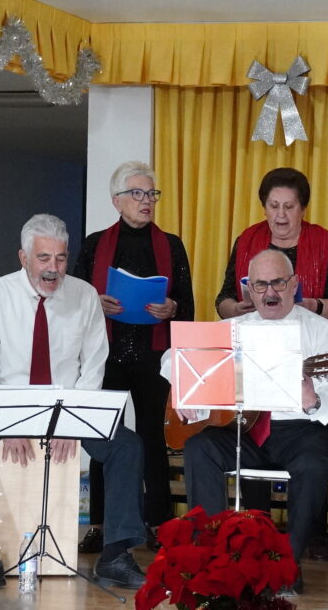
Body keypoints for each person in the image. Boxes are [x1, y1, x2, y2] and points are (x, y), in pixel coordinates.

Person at [0, 214, 147, 593]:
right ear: (23, 257)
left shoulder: (84, 295)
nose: (54, 268)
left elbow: (94, 361)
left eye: (61, 258)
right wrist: (6, 426)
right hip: (6, 403)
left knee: (128, 447)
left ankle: (116, 555)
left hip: (69, 404)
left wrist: (76, 421)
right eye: (44, 258)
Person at [170, 249, 328, 594]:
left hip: (301, 430)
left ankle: (287, 567)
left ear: (294, 283)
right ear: (248, 290)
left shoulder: (323, 333)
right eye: (260, 284)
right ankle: (212, 557)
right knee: (199, 447)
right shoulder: (231, 328)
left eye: (278, 282)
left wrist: (314, 400)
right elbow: (172, 357)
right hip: (243, 429)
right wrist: (182, 388)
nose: (270, 293)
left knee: (314, 462)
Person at [73, 161, 193, 551]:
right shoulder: (95, 243)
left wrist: (172, 307)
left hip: (153, 353)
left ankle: (160, 524)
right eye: (138, 194)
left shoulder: (170, 244)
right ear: (117, 201)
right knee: (104, 437)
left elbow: (187, 305)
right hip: (106, 353)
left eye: (152, 194)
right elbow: (73, 301)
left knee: (152, 439)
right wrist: (96, 303)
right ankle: (102, 524)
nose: (147, 201)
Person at [216, 167, 328, 324]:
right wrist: (235, 310)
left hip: (310, 339)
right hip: (253, 338)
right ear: (264, 208)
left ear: (303, 210)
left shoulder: (327, 244)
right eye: (274, 206)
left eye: (288, 207)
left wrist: (311, 306)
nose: (281, 214)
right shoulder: (246, 240)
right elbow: (224, 300)